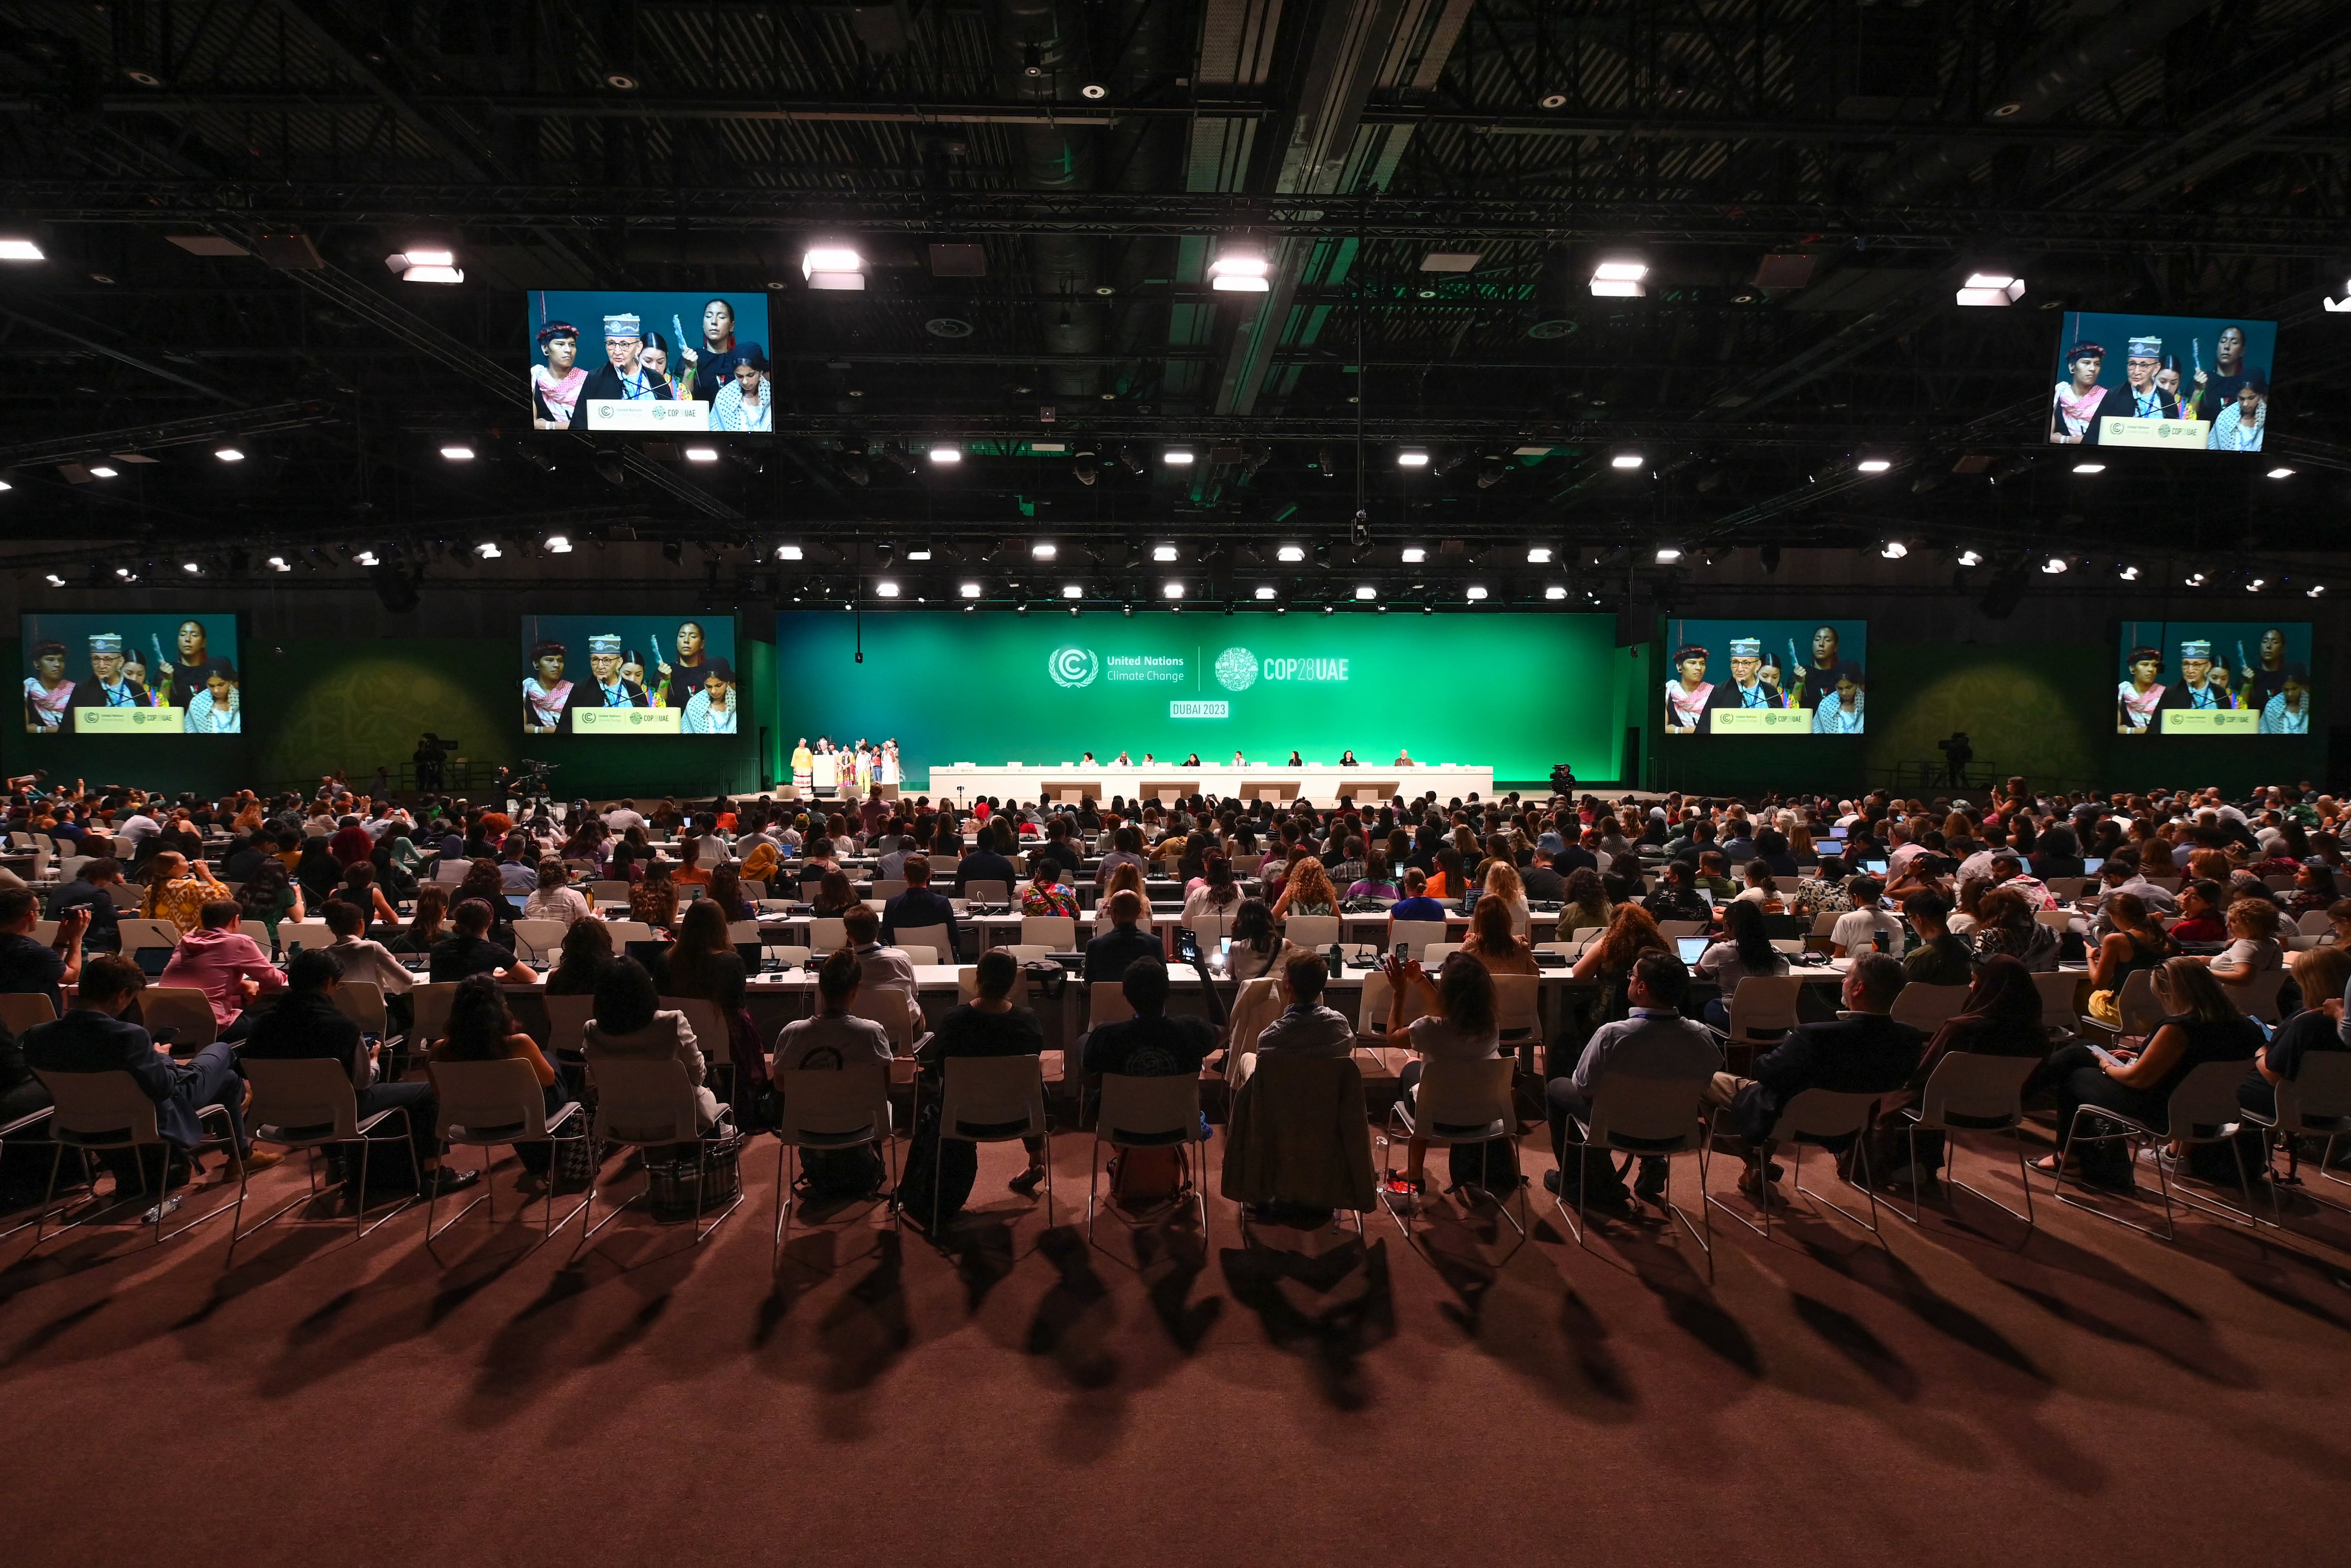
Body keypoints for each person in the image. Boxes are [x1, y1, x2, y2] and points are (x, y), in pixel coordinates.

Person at [23, 953, 269, 1195]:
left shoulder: (38, 1036)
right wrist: (162, 1057)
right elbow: (165, 1089)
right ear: (122, 995)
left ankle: (240, 1154)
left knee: (227, 1081)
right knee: (222, 1051)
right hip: (146, 1119)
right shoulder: (129, 1036)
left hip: (74, 1125)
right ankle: (241, 1119)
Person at [241, 948, 473, 1195]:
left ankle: (338, 1162)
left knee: (324, 1094)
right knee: (427, 1092)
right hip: (338, 1116)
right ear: (329, 982)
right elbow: (363, 1082)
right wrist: (373, 1059)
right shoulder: (342, 1027)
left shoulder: (261, 1025)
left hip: (279, 1118)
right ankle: (433, 1174)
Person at [1705, 952, 1924, 1204]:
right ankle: (1757, 1164)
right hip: (1850, 1127)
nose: (1843, 981)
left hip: (1788, 1118)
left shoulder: (1814, 1036)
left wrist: (1785, 1051)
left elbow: (1766, 1072)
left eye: (1848, 976)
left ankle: (1755, 1160)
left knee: (1708, 1081)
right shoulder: (1909, 1039)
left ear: (1859, 988)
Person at [2031, 958, 2263, 1188]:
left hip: (2163, 1110)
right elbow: (2198, 1064)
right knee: (2084, 1049)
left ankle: (2064, 1155)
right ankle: (2023, 1093)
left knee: (2077, 1076)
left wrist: (2107, 1066)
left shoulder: (2180, 1027)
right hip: (2210, 1111)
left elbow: (2136, 1080)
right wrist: (2136, 1058)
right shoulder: (2249, 1028)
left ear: (2171, 992)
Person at [1546, 948, 1720, 1207]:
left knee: (1557, 1088)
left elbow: (1584, 1086)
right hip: (1675, 1131)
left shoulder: (1612, 1035)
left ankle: (1575, 1182)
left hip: (1615, 1129)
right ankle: (1650, 1159)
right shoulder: (1701, 1036)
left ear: (1642, 987)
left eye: (1632, 975)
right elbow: (1705, 1083)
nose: (1629, 979)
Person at [1863, 955, 2048, 1182]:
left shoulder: (1961, 1029)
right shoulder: (2038, 1035)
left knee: (1885, 1087)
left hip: (1944, 1109)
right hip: (2003, 1113)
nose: (1971, 987)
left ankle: (1882, 1165)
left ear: (1990, 987)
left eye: (1974, 981)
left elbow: (1923, 1075)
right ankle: (1922, 1165)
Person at [902, 947, 1049, 1216]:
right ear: (1013, 982)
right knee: (1032, 1085)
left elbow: (942, 1064)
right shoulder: (1027, 1021)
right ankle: (1036, 1161)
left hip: (961, 1118)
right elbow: (1034, 1057)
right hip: (1021, 1116)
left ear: (978, 978)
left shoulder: (953, 1019)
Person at [1376, 950, 1502, 1197]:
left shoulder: (1429, 1029)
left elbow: (1392, 1036)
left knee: (1412, 1068)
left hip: (1436, 1117)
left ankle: (1414, 1170)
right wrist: (1421, 981)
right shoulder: (1492, 1029)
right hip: (1482, 1115)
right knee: (1431, 1077)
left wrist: (1400, 991)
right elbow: (1451, 1013)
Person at [428, 975, 573, 1177]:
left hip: (473, 1123)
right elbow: (549, 1081)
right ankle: (560, 1156)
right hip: (523, 1118)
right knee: (549, 1061)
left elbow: (439, 1093)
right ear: (501, 1005)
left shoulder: (439, 1050)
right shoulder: (518, 1043)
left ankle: (542, 1163)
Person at [583, 957, 721, 1133]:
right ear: (647, 990)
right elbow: (696, 1071)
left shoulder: (591, 1030)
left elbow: (595, 1077)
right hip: (680, 1117)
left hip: (621, 1118)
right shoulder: (672, 1021)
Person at [2239, 946, 2351, 1126]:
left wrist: (2260, 1048)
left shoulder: (2308, 1024)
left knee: (2218, 1082)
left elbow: (2273, 1075)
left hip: (2292, 1106)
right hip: (2336, 1109)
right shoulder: (2343, 1024)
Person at [157, 900, 284, 1040]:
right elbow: (275, 980)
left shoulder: (186, 941)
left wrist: (242, 985)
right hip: (212, 1028)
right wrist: (261, 988)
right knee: (275, 1018)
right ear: (236, 920)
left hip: (165, 1029)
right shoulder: (239, 942)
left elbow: (203, 981)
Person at [1083, 956, 1217, 1078]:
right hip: (1175, 1105)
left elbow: (1089, 1079)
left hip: (1123, 1105)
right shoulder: (1194, 1031)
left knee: (1083, 1041)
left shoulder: (1105, 1037)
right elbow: (1224, 1028)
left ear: (1127, 996)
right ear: (1167, 991)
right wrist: (1203, 971)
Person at [772, 948, 894, 1071]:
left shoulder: (791, 1033)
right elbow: (884, 1084)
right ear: (856, 989)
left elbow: (780, 1084)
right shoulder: (874, 1034)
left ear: (821, 986)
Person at [1696, 899, 1790, 1028]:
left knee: (1706, 1006)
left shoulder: (1721, 950)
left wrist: (1712, 941)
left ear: (1728, 925)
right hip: (1776, 1025)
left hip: (1740, 1024)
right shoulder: (1777, 953)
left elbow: (1701, 974)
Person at [1251, 950, 1357, 1058]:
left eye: (1284, 972)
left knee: (1247, 1058)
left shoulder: (1269, 1038)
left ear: (1288, 984)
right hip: (1326, 1075)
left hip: (1289, 1075)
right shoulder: (1340, 1025)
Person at [0, 887, 85, 1012]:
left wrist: (61, 940)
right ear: (31, 915)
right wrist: (76, 938)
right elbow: (71, 976)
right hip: (39, 1023)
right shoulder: (36, 953)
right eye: (39, 911)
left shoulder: (37, 955)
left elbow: (49, 966)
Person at [577, 311, 676, 407]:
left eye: (624, 345)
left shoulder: (656, 380)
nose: (617, 351)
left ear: (638, 348)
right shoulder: (595, 379)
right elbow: (580, 422)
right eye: (611, 344)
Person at [429, 898, 536, 985]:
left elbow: (459, 976)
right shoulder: (494, 951)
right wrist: (493, 978)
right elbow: (531, 977)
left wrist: (490, 977)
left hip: (441, 1011)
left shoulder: (437, 950)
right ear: (488, 924)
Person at [141, 850, 229, 937]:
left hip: (160, 941)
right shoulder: (190, 886)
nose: (188, 863)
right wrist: (207, 874)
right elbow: (224, 897)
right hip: (188, 942)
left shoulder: (150, 889)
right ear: (175, 868)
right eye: (185, 861)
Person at [46, 856, 123, 954]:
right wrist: (135, 914)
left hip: (55, 943)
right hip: (87, 944)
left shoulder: (58, 890)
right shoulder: (98, 893)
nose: (111, 884)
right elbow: (114, 920)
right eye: (111, 880)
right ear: (104, 876)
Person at [882, 853, 959, 947]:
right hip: (938, 959)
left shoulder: (892, 905)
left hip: (904, 958)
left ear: (905, 876)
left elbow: (887, 939)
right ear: (929, 875)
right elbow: (955, 938)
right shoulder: (942, 903)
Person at [1900, 891, 1975, 986]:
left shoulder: (1917, 958)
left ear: (1919, 919)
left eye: (1909, 918)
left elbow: (1901, 995)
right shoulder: (1967, 951)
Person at [1084, 888, 1161, 981]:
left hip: (1107, 995)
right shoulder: (1154, 944)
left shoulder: (1094, 946)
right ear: (1139, 911)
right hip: (1141, 995)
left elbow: (1089, 980)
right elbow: (1163, 980)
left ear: (1113, 913)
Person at [68, 632, 154, 711]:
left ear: (120, 662)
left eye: (108, 660)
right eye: (96, 659)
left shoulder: (136, 690)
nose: (101, 665)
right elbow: (69, 726)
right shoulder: (83, 690)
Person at [1701, 637, 1784, 717]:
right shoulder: (1720, 691)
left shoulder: (1771, 692)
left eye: (1746, 663)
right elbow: (1706, 727)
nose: (1740, 669)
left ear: (1758, 666)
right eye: (1735, 662)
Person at [1829, 876, 1903, 957]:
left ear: (1856, 897)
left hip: (1856, 968)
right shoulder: (1897, 923)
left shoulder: (1846, 920)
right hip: (1888, 968)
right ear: (1879, 897)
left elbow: (1839, 956)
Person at [2049, 339, 2107, 444]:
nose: (2093, 369)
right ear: (2072, 367)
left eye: (2097, 364)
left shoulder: (2107, 398)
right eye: (2086, 363)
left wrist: (2064, 439)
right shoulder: (2058, 394)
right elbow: (2050, 437)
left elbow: (2104, 438)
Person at [2156, 639, 2235, 712]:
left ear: (2208, 667)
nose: (2190, 670)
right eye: (2186, 664)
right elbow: (2158, 725)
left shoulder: (2219, 693)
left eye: (2196, 665)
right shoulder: (2172, 693)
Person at [707, 351, 772, 431]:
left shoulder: (771, 394)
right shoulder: (725, 396)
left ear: (761, 371)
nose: (745, 382)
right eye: (739, 376)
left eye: (751, 375)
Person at [2206, 373, 2267, 451]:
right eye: (2241, 399)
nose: (2245, 404)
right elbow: (2213, 448)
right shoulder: (2225, 417)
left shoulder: (2266, 417)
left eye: (2251, 398)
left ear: (2260, 395)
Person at [23, 639, 73, 732]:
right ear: (37, 664)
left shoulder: (75, 691)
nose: (57, 665)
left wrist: (38, 729)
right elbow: (23, 729)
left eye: (61, 660)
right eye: (50, 660)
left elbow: (76, 728)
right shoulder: (28, 690)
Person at [523, 859, 592, 926]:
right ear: (564, 872)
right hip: (565, 937)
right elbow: (587, 927)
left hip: (534, 937)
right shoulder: (574, 896)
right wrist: (595, 916)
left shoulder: (531, 897)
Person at [523, 641, 572, 733]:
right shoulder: (526, 690)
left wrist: (537, 730)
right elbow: (524, 729)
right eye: (549, 660)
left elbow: (575, 728)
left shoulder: (573, 691)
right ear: (536, 664)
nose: (556, 665)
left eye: (560, 661)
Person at [680, 660, 738, 733]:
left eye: (719, 686)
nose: (713, 691)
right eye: (709, 686)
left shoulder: (738, 702)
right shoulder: (695, 704)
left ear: (728, 682)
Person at [2260, 664, 2312, 734]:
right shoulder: (2272, 707)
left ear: (2302, 686)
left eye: (2294, 689)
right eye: (2286, 690)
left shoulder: (2310, 703)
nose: (2290, 694)